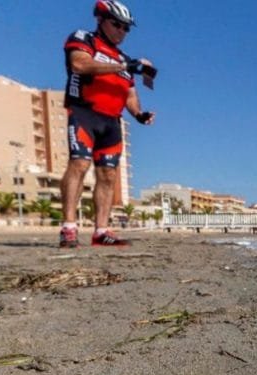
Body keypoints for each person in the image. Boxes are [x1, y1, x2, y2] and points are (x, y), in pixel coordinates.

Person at [59, 0, 156, 247]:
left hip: (112, 122)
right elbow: (79, 64)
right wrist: (125, 65)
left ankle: (101, 230)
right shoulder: (85, 39)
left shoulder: (124, 59)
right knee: (79, 165)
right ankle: (69, 226)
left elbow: (130, 95)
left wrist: (139, 114)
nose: (122, 32)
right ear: (101, 20)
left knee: (108, 175)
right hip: (85, 113)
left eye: (127, 29)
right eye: (118, 25)